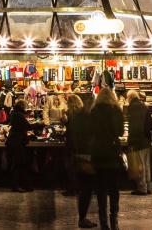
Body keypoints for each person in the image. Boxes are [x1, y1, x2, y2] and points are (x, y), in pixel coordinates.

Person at [88, 86, 125, 230]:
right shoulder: (116, 110)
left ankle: (103, 221)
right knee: (114, 188)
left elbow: (89, 131)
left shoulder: (94, 111)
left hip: (97, 153)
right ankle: (114, 219)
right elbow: (121, 131)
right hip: (112, 153)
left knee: (101, 189)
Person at [66, 94, 97, 228]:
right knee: (87, 189)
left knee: (85, 189)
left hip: (79, 155)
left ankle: (83, 217)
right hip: (88, 156)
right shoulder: (90, 117)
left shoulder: (77, 117)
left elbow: (73, 135)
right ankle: (83, 218)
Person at [124, 91, 152, 196]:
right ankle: (149, 186)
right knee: (146, 165)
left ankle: (142, 187)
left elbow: (133, 127)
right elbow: (149, 124)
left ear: (130, 98)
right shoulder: (145, 106)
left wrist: (131, 141)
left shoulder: (132, 108)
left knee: (139, 166)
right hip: (146, 140)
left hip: (138, 141)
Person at [6, 100, 33, 192]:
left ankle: (21, 185)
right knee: (18, 165)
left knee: (18, 164)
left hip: (14, 142)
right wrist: (40, 125)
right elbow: (28, 126)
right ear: (22, 106)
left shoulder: (15, 114)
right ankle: (16, 186)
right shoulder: (19, 115)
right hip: (17, 143)